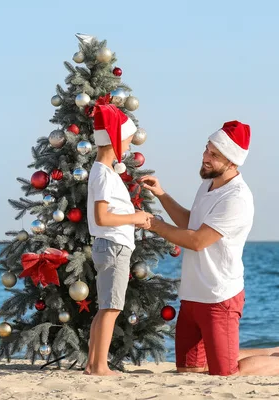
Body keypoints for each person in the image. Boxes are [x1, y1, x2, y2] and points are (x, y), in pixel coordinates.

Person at [140, 120, 279, 376]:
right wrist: (162, 195)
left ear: (232, 161)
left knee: (226, 373)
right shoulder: (208, 185)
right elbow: (192, 223)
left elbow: (197, 241)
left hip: (218, 297)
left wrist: (152, 223)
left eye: (214, 154)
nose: (205, 157)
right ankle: (272, 353)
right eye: (206, 149)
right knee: (189, 371)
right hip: (192, 295)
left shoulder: (237, 198)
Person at [84, 100, 153, 376]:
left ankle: (92, 364)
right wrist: (134, 218)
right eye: (126, 140)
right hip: (113, 246)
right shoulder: (102, 173)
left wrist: (133, 215)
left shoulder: (107, 172)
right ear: (114, 140)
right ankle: (100, 366)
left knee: (105, 308)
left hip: (113, 245)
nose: (128, 146)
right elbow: (102, 217)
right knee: (111, 308)